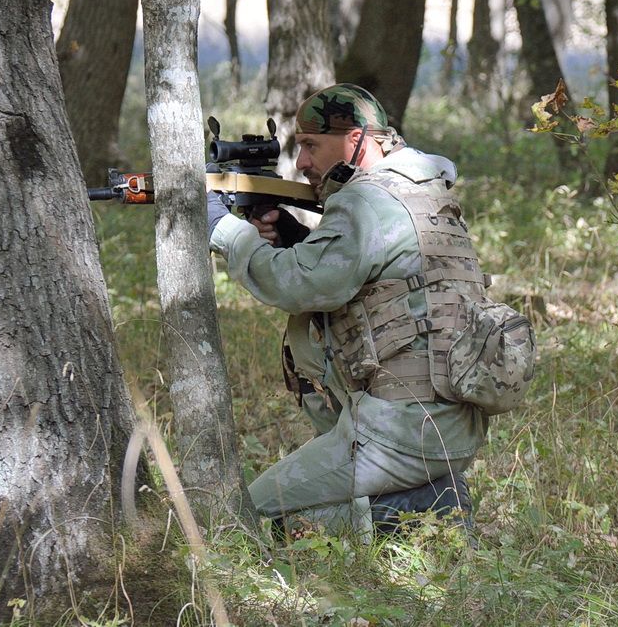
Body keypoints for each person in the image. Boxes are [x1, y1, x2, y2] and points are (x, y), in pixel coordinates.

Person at [207, 83, 487, 537]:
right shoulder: (420, 191)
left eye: (311, 145)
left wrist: (223, 230)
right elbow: (385, 283)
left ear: (356, 140)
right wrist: (302, 241)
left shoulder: (366, 200)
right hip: (448, 422)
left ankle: (423, 511)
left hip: (399, 434)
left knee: (243, 521)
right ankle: (420, 498)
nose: (301, 163)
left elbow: (298, 285)